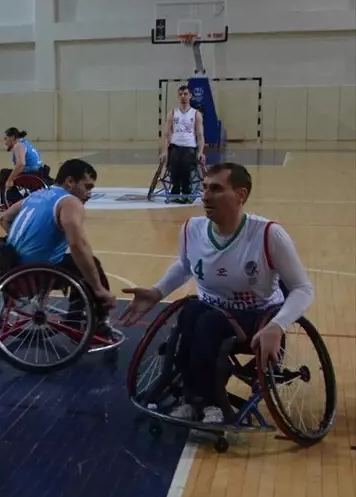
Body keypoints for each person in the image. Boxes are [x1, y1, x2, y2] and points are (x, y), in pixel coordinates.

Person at [120, 163, 314, 424]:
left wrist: (277, 326)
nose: (206, 196)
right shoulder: (192, 229)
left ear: (240, 195)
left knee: (208, 323)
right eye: (205, 188)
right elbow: (185, 266)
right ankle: (194, 397)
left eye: (216, 189)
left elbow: (303, 288)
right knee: (191, 313)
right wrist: (158, 291)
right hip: (211, 310)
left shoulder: (268, 234)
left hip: (257, 317)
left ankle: (209, 403)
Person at [0, 158, 120, 342]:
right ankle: (92, 324)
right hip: (38, 273)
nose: (89, 194)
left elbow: (4, 218)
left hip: (13, 267)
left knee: (77, 263)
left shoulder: (36, 195)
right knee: (89, 264)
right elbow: (78, 246)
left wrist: (27, 239)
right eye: (87, 187)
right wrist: (98, 288)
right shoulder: (70, 202)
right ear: (70, 182)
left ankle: (80, 318)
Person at [161, 84, 206, 203]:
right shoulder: (172, 113)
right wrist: (164, 151)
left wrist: (201, 152)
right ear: (178, 96)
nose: (183, 96)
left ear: (190, 96)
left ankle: (187, 192)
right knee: (174, 166)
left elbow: (200, 135)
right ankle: (175, 192)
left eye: (185, 94)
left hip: (190, 147)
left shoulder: (196, 114)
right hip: (175, 145)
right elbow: (166, 134)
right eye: (180, 94)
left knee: (186, 167)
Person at [0, 127, 46, 213]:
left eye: (6, 139)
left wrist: (10, 180)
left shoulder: (18, 145)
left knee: (4, 174)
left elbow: (21, 164)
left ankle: (6, 203)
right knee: (7, 173)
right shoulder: (25, 142)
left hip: (31, 174)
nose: (5, 143)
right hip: (38, 172)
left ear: (13, 137)